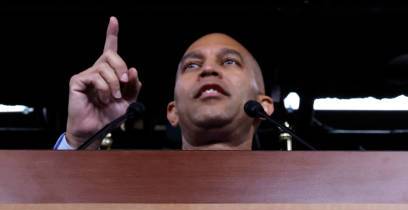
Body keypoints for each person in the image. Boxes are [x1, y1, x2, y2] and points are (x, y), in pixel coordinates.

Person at [56, 16, 274, 151]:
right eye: (192, 65)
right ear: (173, 111)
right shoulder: (127, 191)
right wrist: (80, 141)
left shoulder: (297, 195)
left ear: (264, 105)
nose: (208, 69)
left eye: (229, 61)